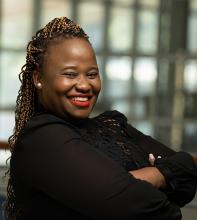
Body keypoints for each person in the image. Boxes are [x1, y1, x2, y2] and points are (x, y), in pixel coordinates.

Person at [5, 17, 197, 220]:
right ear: (38, 79)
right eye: (70, 74)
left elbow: (188, 171)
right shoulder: (41, 138)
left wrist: (123, 183)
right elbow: (138, 208)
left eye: (91, 74)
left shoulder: (113, 125)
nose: (84, 85)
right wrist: (159, 177)